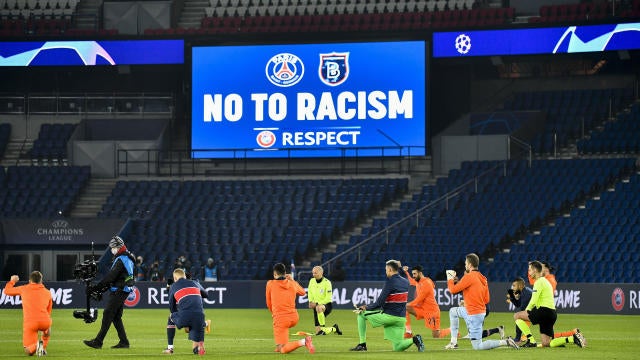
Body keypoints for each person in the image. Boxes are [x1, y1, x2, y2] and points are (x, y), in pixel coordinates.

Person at [445, 253, 519, 350]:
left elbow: (452, 290)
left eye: (466, 263)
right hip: (478, 312)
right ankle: (453, 342)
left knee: (478, 346)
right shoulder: (483, 278)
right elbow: (486, 299)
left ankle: (506, 342)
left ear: (470, 265)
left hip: (473, 314)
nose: (465, 265)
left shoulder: (469, 276)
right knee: (453, 311)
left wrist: (450, 279)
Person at [350, 260, 425, 352]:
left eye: (386, 270)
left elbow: (379, 303)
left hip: (389, 317)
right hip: (401, 319)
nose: (386, 272)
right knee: (398, 347)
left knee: (361, 315)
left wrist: (365, 307)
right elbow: (394, 297)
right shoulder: (405, 282)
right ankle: (415, 339)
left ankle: (362, 345)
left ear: (390, 269)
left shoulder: (390, 282)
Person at [514, 260, 586, 348]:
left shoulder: (539, 281)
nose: (528, 273)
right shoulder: (544, 281)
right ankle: (572, 338)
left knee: (517, 316)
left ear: (535, 270)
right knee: (547, 343)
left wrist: (527, 310)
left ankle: (531, 341)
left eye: (529, 270)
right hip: (551, 313)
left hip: (543, 312)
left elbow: (534, 300)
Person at [83, 235, 136, 349]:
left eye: (113, 248)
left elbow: (110, 278)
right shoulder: (126, 257)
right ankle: (124, 342)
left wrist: (95, 288)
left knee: (108, 313)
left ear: (118, 247)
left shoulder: (121, 259)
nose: (112, 250)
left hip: (120, 290)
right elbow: (116, 278)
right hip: (123, 289)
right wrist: (100, 289)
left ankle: (98, 341)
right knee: (116, 317)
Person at [266, 263, 315, 354]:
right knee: (280, 333)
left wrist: (273, 313)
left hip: (281, 318)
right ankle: (279, 345)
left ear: (275, 274)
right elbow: (303, 292)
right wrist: (292, 280)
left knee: (283, 350)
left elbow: (269, 303)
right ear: (285, 273)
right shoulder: (292, 284)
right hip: (294, 317)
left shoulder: (270, 284)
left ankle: (304, 341)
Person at [3, 271, 52, 356]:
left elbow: (7, 291)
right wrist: (47, 326)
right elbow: (49, 310)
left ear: (30, 280)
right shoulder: (48, 292)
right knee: (48, 329)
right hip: (45, 321)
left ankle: (38, 345)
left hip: (30, 323)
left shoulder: (24, 288)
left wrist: (12, 281)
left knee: (28, 351)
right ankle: (43, 346)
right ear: (41, 281)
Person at [162, 268, 208, 355]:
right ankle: (199, 345)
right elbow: (206, 295)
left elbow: (172, 309)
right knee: (195, 350)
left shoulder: (173, 286)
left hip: (185, 316)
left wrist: (183, 323)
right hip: (200, 316)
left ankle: (170, 349)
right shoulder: (195, 283)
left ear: (175, 278)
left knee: (171, 317)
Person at [402, 265, 451, 339]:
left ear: (420, 273)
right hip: (423, 310)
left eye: (415, 274)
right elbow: (411, 281)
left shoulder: (427, 283)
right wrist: (406, 272)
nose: (413, 276)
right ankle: (409, 332)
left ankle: (452, 329)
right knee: (406, 308)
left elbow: (419, 299)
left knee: (436, 335)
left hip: (432, 312)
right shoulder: (418, 281)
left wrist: (409, 304)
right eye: (413, 274)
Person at [307, 265, 341, 335]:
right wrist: (310, 301)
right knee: (318, 332)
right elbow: (309, 292)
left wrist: (317, 303)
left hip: (326, 305)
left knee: (319, 307)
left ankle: (323, 328)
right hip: (316, 306)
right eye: (313, 273)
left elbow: (328, 298)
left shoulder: (327, 282)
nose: (314, 274)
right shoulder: (312, 281)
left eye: (315, 273)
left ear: (321, 273)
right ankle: (334, 328)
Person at [506, 277, 533, 342]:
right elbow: (518, 304)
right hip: (534, 312)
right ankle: (519, 338)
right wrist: (512, 297)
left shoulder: (526, 293)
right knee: (519, 315)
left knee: (518, 316)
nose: (513, 288)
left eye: (514, 286)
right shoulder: (524, 291)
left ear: (520, 286)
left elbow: (522, 309)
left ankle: (517, 339)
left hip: (538, 314)